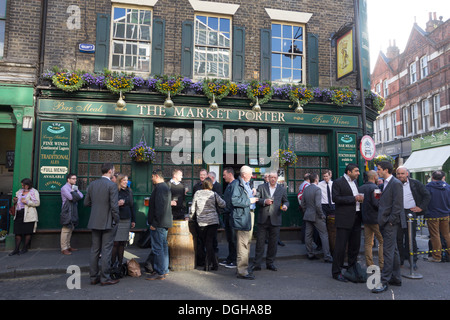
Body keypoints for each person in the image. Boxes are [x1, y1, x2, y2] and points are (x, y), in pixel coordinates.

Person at [84, 163, 120, 286]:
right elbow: (114, 206)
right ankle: (105, 278)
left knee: (94, 250)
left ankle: (93, 277)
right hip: (108, 221)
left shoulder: (93, 184)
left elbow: (86, 202)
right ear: (110, 171)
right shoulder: (112, 185)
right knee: (106, 250)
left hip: (94, 220)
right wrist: (116, 219)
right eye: (114, 170)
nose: (114, 172)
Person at [372, 160, 405, 294]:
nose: (377, 171)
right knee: (394, 251)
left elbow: (397, 205)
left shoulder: (395, 183)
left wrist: (390, 221)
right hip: (386, 222)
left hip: (389, 223)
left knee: (388, 252)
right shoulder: (385, 183)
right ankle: (396, 278)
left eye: (379, 169)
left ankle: (384, 281)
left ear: (386, 170)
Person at [331, 163, 364, 282]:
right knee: (340, 247)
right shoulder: (338, 182)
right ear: (349, 172)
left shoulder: (355, 182)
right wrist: (354, 199)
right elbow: (335, 199)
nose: (358, 173)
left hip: (356, 217)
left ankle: (352, 268)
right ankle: (336, 272)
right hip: (344, 219)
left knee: (355, 246)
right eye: (356, 171)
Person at [252, 171, 289, 271]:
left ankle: (270, 263)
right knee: (260, 242)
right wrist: (264, 201)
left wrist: (285, 205)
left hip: (275, 218)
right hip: (263, 218)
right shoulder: (261, 187)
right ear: (268, 178)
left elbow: (286, 200)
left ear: (277, 178)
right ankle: (257, 264)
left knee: (273, 243)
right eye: (271, 177)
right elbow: (256, 199)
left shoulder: (282, 189)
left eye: (275, 177)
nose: (273, 179)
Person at [395, 166, 430, 269]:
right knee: (399, 238)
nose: (400, 176)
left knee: (411, 238)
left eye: (402, 173)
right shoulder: (394, 184)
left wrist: (420, 207)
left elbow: (427, 195)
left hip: (411, 212)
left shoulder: (415, 183)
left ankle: (413, 261)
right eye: (398, 174)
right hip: (398, 213)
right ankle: (400, 260)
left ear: (407, 174)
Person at [229, 165, 259, 280]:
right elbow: (234, 200)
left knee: (247, 242)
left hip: (248, 214)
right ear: (244, 174)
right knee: (243, 244)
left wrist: (252, 194)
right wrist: (249, 200)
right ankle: (242, 271)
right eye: (250, 173)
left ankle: (244, 268)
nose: (252, 175)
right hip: (242, 217)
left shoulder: (246, 184)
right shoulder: (237, 184)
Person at [190, 178, 226, 271]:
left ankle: (209, 265)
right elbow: (223, 204)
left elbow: (193, 208)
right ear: (211, 185)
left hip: (201, 222)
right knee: (209, 243)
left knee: (206, 243)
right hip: (213, 221)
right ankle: (212, 264)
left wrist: (191, 217)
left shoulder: (197, 193)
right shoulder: (214, 194)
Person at [146, 169, 173, 280]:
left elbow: (159, 207)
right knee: (163, 247)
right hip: (164, 222)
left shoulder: (160, 188)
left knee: (158, 248)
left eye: (152, 177)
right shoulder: (165, 187)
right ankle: (164, 270)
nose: (151, 179)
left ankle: (160, 271)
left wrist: (154, 223)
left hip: (159, 223)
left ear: (156, 176)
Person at [301, 173, 333, 263]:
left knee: (308, 235)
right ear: (316, 180)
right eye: (318, 178)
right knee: (324, 234)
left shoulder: (306, 189)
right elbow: (318, 205)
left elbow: (302, 203)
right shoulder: (317, 189)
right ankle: (327, 256)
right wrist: (321, 215)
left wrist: (306, 212)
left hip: (308, 215)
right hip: (316, 215)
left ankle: (310, 254)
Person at [358, 170, 383, 269]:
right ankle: (382, 265)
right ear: (374, 177)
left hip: (365, 219)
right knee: (382, 241)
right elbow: (377, 203)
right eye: (377, 175)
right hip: (376, 219)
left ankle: (370, 264)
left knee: (368, 242)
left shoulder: (361, 188)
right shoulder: (376, 188)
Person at [9, 178, 40, 256]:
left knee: (27, 232)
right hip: (18, 213)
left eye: (24, 185)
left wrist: (26, 201)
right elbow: (16, 202)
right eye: (22, 185)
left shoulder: (34, 192)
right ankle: (16, 249)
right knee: (17, 232)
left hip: (28, 214)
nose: (22, 186)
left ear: (28, 185)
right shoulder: (20, 191)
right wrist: (15, 200)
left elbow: (37, 203)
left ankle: (25, 248)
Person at [425, 170, 450, 262]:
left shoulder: (428, 187)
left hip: (433, 214)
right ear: (443, 177)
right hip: (446, 214)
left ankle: (437, 256)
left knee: (435, 235)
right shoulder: (448, 187)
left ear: (432, 177)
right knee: (447, 235)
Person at [111, 174, 135, 269]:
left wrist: (133, 219)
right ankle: (113, 265)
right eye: (124, 180)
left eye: (127, 180)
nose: (126, 182)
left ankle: (120, 264)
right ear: (119, 181)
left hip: (127, 218)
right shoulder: (115, 190)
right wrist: (117, 204)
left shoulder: (129, 191)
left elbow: (132, 205)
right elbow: (110, 204)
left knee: (122, 243)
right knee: (115, 242)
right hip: (117, 218)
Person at [60, 173, 83, 255]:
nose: (75, 180)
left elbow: (81, 196)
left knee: (71, 228)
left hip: (73, 210)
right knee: (66, 228)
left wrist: (74, 193)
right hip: (67, 210)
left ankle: (68, 246)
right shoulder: (64, 188)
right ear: (68, 179)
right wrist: (74, 193)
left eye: (75, 179)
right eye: (73, 179)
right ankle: (64, 248)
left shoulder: (74, 187)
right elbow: (71, 198)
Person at [219, 167, 238, 268]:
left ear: (230, 174)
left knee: (233, 239)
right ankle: (230, 258)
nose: (223, 177)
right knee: (230, 239)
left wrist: (227, 210)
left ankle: (234, 260)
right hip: (227, 215)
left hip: (232, 216)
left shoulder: (235, 185)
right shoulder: (229, 185)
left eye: (224, 175)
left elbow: (233, 201)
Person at [318, 170, 336, 254]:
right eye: (324, 176)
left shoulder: (334, 184)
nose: (325, 178)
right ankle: (323, 245)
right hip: (323, 205)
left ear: (330, 175)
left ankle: (333, 245)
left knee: (333, 225)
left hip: (332, 205)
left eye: (326, 176)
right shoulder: (320, 184)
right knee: (323, 225)